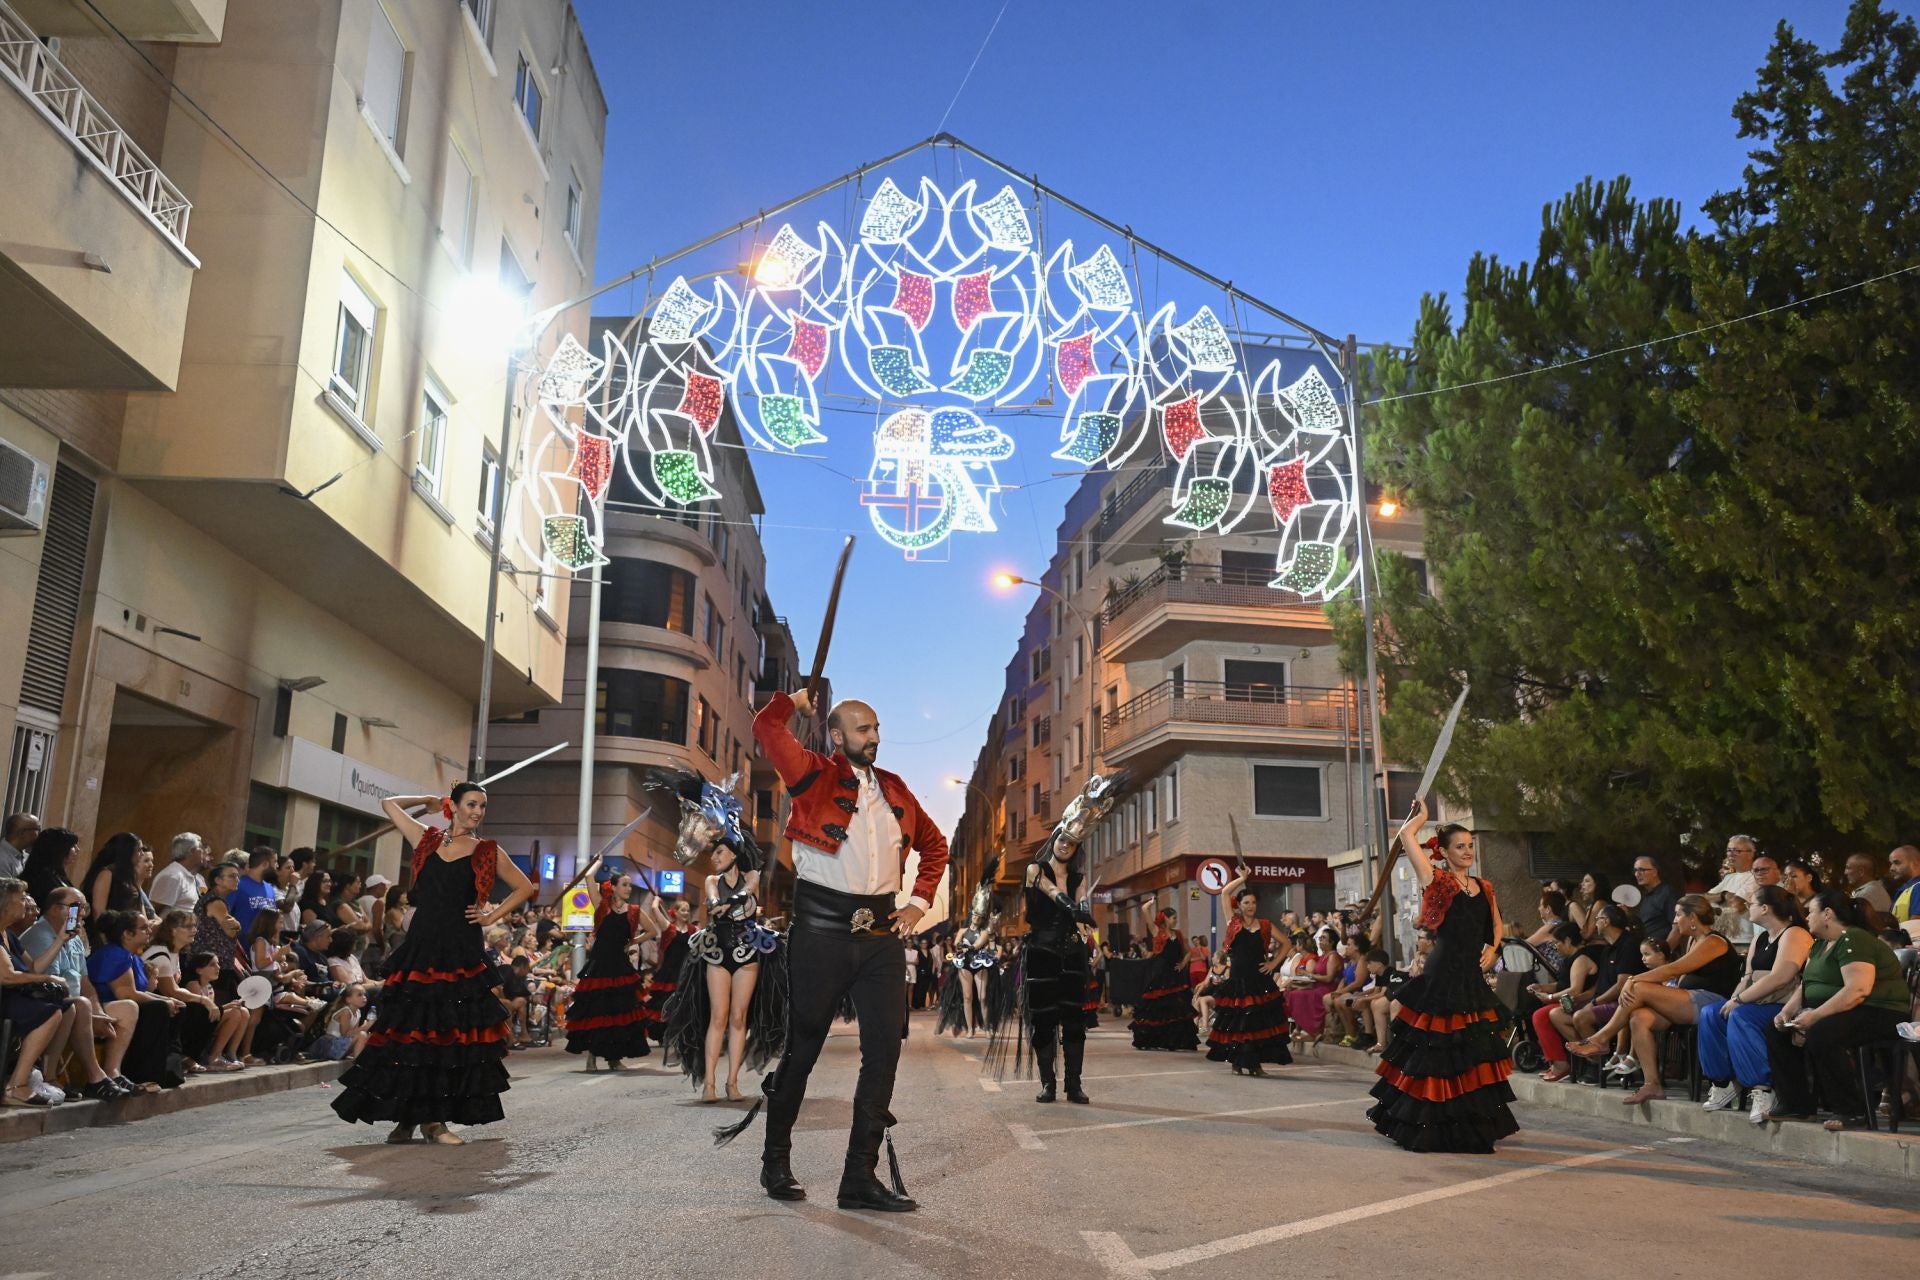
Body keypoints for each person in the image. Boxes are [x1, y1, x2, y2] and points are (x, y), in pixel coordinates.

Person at [741, 687, 948, 1213]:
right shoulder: (811, 773)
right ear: (837, 736)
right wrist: (793, 702)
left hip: (880, 935)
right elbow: (767, 728)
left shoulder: (896, 789)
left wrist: (919, 903)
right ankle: (775, 1160)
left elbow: (935, 844)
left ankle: (859, 1177)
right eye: (863, 729)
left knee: (885, 1049)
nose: (875, 737)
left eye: (877, 728)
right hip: (820, 930)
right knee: (803, 1047)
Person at [331, 783, 534, 1144]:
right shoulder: (426, 838)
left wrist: (490, 917)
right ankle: (407, 1119)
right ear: (453, 806)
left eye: (483, 807)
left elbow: (524, 887)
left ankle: (435, 1121)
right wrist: (425, 801)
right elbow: (388, 804)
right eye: (472, 804)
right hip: (422, 948)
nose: (478, 812)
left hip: (459, 949)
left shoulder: (487, 850)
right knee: (410, 1036)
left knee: (446, 1036)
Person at [1368, 803, 1517, 1153]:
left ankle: (1468, 1124)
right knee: (1436, 1053)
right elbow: (1406, 836)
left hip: (1470, 978)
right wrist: (1420, 817)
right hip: (1441, 975)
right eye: (1460, 846)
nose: (1467, 852)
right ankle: (1428, 1125)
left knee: (1473, 1054)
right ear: (1445, 852)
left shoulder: (1484, 886)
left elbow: (1496, 924)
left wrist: (1493, 948)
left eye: (1470, 845)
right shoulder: (1436, 879)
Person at [1568, 895, 1741, 1103]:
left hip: (1710, 1002)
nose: (1675, 920)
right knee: (1638, 1017)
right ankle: (1652, 1085)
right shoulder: (1694, 940)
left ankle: (1602, 1039)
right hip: (1686, 1001)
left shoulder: (1714, 941)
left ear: (1693, 917)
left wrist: (1633, 979)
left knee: (1639, 988)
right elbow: (1679, 976)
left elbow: (1674, 969)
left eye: (1678, 915)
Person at [1764, 892, 1914, 1130]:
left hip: (1880, 1011)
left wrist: (1816, 1015)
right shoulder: (1820, 944)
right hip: (1845, 1010)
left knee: (1822, 1033)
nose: (1807, 917)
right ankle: (1797, 1105)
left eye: (1811, 911)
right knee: (1775, 1031)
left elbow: (1858, 989)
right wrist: (1788, 1012)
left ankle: (1852, 1111)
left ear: (1827, 914)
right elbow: (1808, 985)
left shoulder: (1854, 939)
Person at [1696, 886, 1813, 1125]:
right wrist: (1732, 1000)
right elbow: (1747, 976)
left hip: (1783, 1004)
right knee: (1711, 1013)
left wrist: (1740, 1001)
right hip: (1756, 999)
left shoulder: (1795, 933)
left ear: (1765, 908)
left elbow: (1781, 975)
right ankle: (1724, 1082)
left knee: (1743, 1016)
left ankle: (1762, 1087)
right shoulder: (1760, 937)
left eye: (1751, 903)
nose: (1748, 907)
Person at [1023, 830, 1093, 1104]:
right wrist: (1072, 907)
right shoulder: (1035, 869)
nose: (1066, 845)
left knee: (1075, 1022)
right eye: (1062, 840)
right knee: (1043, 1021)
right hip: (1041, 952)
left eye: (1072, 843)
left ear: (1077, 849)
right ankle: (1048, 1084)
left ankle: (1073, 1085)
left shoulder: (1078, 877)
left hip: (1073, 953)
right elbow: (1050, 891)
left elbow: (1083, 898)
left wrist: (1085, 915)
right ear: (1053, 841)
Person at [565, 867, 653, 1071]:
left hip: (621, 966)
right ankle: (592, 1057)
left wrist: (633, 941)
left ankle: (614, 1058)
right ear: (612, 887)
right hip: (600, 965)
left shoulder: (634, 911)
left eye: (630, 885)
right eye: (624, 884)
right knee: (597, 1012)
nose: (629, 888)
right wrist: (598, 863)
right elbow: (588, 877)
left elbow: (652, 931)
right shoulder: (601, 905)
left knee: (619, 1013)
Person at [1205, 874, 1292, 1076]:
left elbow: (1287, 944)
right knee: (1240, 1024)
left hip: (1259, 979)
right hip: (1238, 980)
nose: (1251, 905)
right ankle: (1237, 1061)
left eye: (1253, 902)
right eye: (1246, 902)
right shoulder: (1232, 922)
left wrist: (1273, 963)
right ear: (1240, 905)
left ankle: (1255, 1064)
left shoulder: (1265, 925)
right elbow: (1224, 892)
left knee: (1257, 1024)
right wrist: (1242, 877)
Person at [87, 910, 183, 1089]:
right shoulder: (114, 954)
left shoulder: (133, 957)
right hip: (104, 1007)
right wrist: (163, 1002)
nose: (149, 931)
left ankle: (168, 1071)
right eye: (143, 928)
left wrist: (167, 1000)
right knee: (157, 1009)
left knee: (176, 1007)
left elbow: (140, 992)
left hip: (124, 1005)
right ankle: (141, 1074)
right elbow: (126, 994)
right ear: (127, 934)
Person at [699, 841, 765, 1101]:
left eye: (720, 852)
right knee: (719, 1016)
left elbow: (748, 890)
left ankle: (732, 1083)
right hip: (718, 953)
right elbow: (713, 899)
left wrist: (729, 903)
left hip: (747, 953)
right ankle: (709, 1084)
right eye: (713, 853)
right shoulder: (711, 880)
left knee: (739, 1018)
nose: (714, 858)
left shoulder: (752, 876)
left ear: (735, 855)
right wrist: (718, 904)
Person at [1128, 909, 1200, 1050]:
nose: (1175, 920)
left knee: (1177, 1009)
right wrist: (1147, 906)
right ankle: (1154, 1040)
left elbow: (1188, 952)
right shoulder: (1157, 932)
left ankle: (1177, 1041)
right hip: (1160, 974)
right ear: (1166, 918)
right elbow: (1145, 913)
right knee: (1157, 1008)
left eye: (1176, 917)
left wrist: (1183, 964)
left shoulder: (1178, 934)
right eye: (1173, 917)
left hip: (1175, 976)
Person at [1283, 928, 1341, 1039]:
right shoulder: (1323, 956)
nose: (1320, 940)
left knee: (1298, 995)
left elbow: (1329, 978)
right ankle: (1301, 1028)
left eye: (1323, 938)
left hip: (1327, 987)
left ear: (1332, 942)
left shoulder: (1333, 956)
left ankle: (1312, 1031)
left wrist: (1309, 975)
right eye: (1320, 938)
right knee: (1290, 993)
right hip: (1317, 985)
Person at [1707, 834, 1761, 947]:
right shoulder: (1729, 878)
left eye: (1736, 851)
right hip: (1723, 940)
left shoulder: (1756, 877)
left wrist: (1718, 901)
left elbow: (1737, 905)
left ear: (1750, 854)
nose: (1731, 854)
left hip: (1744, 941)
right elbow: (1702, 899)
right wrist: (1724, 895)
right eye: (1729, 850)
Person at [21, 826, 81, 915]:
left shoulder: (59, 875)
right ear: (59, 849)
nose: (77, 849)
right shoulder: (39, 879)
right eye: (72, 846)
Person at [226, 848, 281, 940]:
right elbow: (224, 916)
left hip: (263, 951)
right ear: (265, 864)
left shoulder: (270, 888)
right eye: (275, 862)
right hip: (239, 949)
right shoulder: (237, 885)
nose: (277, 866)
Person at [149, 833, 208, 915]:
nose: (204, 852)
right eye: (201, 848)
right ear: (192, 851)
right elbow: (154, 912)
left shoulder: (189, 875)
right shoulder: (172, 876)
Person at [1630, 856, 1679, 940]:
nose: (1637, 874)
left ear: (1655, 872)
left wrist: (1665, 949)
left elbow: (1678, 927)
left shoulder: (1667, 893)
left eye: (1641, 870)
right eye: (1635, 870)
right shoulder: (1647, 895)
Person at [1843, 853, 1893, 931]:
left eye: (1848, 868)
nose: (1845, 872)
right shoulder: (1872, 890)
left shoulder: (1868, 893)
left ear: (1861, 872)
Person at [1888, 844, 1920, 929]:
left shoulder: (1918, 888)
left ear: (1915, 863)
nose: (1891, 868)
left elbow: (1915, 927)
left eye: (1896, 863)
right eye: (1891, 863)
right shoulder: (1908, 889)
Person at [0, 813, 38, 880]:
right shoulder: (2, 859)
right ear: (22, 832)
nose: (39, 834)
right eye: (37, 829)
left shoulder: (26, 857)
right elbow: (6, 889)